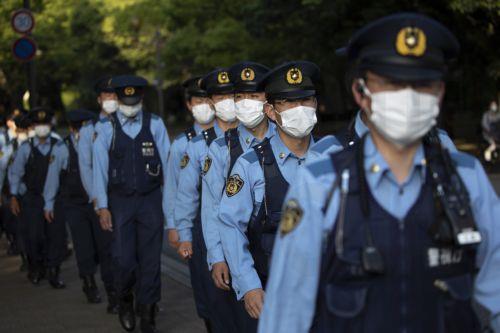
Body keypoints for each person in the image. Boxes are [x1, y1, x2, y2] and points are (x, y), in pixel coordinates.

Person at [259, 13, 500, 333]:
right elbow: (287, 313)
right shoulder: (320, 185)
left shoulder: (467, 179)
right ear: (361, 93)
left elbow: (496, 290)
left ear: (439, 94)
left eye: (422, 84)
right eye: (391, 84)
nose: (408, 97)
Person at [217, 61, 321, 328]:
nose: (300, 109)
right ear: (271, 111)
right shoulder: (250, 165)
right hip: (271, 286)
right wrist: (249, 285)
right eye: (288, 102)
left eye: (306, 100)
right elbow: (230, 225)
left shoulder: (333, 160)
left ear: (316, 105)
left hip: (324, 287)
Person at [93, 75, 170, 333]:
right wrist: (102, 206)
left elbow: (169, 169)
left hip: (150, 200)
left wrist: (170, 210)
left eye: (134, 100)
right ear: (116, 99)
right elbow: (99, 172)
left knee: (150, 261)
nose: (130, 105)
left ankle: (148, 312)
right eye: (125, 100)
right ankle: (125, 298)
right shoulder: (106, 129)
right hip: (120, 202)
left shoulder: (155, 125)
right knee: (123, 260)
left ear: (141, 99)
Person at [202, 61, 275, 332]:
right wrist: (217, 256)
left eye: (253, 96)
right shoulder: (222, 148)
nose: (245, 103)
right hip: (240, 252)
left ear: (267, 100)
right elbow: (212, 208)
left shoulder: (286, 138)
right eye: (239, 97)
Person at [174, 67, 238, 332]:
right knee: (215, 297)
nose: (226, 103)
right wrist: (183, 232)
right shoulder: (197, 145)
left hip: (243, 229)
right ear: (210, 102)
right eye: (219, 97)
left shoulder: (254, 139)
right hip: (207, 227)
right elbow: (185, 194)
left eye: (231, 96)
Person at [43, 109, 116, 310]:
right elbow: (52, 179)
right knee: (83, 246)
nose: (82, 131)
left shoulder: (97, 140)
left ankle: (111, 289)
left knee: (105, 246)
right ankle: (89, 283)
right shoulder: (62, 147)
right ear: (72, 128)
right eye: (78, 127)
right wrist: (48, 203)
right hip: (75, 205)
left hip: (96, 204)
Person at [164, 76, 215, 332]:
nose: (204, 104)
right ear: (189, 104)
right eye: (199, 100)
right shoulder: (182, 144)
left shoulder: (231, 134)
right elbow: (173, 189)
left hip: (224, 219)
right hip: (196, 224)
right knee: (205, 286)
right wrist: (173, 226)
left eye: (209, 99)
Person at [9, 107, 66, 288]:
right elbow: (16, 174)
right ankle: (36, 267)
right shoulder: (26, 149)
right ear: (33, 126)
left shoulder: (59, 145)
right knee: (34, 236)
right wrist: (14, 196)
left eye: (45, 124)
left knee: (56, 237)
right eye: (38, 124)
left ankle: (54, 272)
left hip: (55, 198)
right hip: (32, 199)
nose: (42, 127)